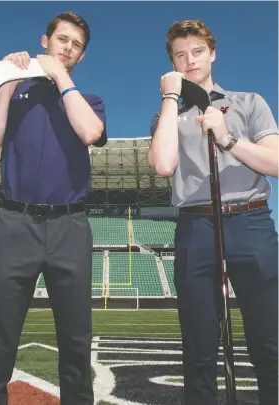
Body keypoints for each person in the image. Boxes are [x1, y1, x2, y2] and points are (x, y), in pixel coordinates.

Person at [0, 11, 107, 405]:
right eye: (62, 40)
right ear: (44, 40)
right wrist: (4, 85)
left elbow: (90, 132)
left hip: (70, 225)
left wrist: (59, 76)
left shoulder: (89, 100)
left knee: (75, 336)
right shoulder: (17, 92)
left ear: (81, 56)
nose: (67, 48)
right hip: (15, 222)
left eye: (76, 45)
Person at [148, 19, 278, 405]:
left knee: (269, 340)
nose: (189, 61)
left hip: (251, 220)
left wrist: (228, 138)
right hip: (196, 226)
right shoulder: (168, 115)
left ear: (213, 53)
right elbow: (162, 164)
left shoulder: (249, 102)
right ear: (172, 62)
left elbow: (275, 162)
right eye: (180, 55)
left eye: (197, 52)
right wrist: (171, 98)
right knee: (199, 346)